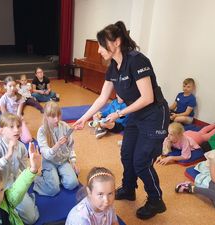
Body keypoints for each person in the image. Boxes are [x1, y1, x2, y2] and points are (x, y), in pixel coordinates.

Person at [73, 21, 169, 219]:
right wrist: (83, 119)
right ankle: (129, 188)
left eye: (101, 45)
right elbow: (102, 97)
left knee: (141, 161)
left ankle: (156, 199)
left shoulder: (137, 60)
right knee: (127, 153)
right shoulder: (114, 67)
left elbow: (147, 98)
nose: (98, 50)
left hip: (154, 115)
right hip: (136, 114)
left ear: (116, 42)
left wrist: (119, 114)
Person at [0, 113, 39, 224]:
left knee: (31, 219)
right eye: (12, 127)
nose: (17, 130)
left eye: (18, 126)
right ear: (2, 130)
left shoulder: (22, 146)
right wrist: (8, 155)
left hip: (16, 184)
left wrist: (33, 167)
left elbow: (24, 169)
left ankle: (29, 199)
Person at [33, 101, 79, 196]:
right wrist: (57, 145)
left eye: (58, 115)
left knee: (73, 183)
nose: (57, 119)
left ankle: (57, 176)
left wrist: (73, 162)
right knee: (53, 189)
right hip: (49, 162)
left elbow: (71, 146)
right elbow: (46, 155)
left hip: (63, 161)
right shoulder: (42, 131)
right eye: (53, 117)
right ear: (46, 116)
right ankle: (38, 179)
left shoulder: (65, 126)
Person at [0, 76, 33, 143]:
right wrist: (11, 125)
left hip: (17, 119)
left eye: (14, 86)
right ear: (5, 86)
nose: (12, 88)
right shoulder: (2, 99)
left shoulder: (19, 97)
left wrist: (17, 125)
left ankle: (18, 132)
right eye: (10, 86)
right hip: (8, 121)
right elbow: (4, 115)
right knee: (9, 139)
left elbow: (18, 114)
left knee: (27, 139)